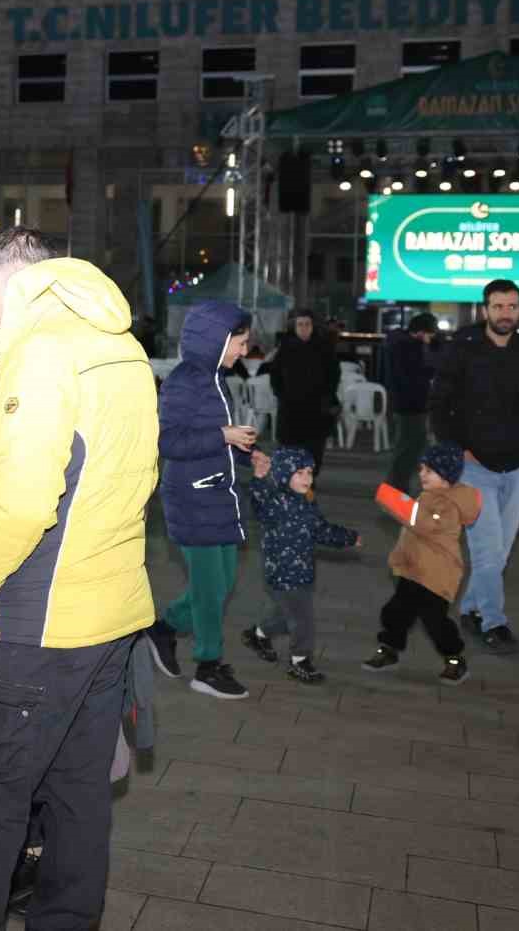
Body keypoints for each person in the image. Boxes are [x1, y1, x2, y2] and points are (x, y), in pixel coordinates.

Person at [0, 229, 158, 931]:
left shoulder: (41, 352)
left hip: (41, 617)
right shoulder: (121, 347)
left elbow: (25, 500)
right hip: (112, 609)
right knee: (78, 792)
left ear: (17, 282)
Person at [428, 279, 519, 655]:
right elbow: (438, 403)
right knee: (487, 549)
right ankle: (494, 622)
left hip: (518, 463)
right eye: (499, 306)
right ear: (485, 309)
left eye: (512, 306)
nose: (506, 313)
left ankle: (470, 609)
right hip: (475, 465)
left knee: (500, 551)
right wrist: (457, 450)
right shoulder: (463, 348)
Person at [143, 300, 257, 701]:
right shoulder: (185, 381)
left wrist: (247, 453)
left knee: (221, 583)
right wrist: (223, 436)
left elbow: (214, 435)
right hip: (193, 498)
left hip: (216, 495)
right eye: (239, 343)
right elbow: (167, 441)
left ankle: (163, 629)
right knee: (210, 590)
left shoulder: (213, 378)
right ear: (216, 340)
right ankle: (208, 667)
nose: (244, 351)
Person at [240, 446, 361, 684]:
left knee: (287, 616)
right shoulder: (275, 502)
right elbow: (258, 501)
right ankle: (300, 662)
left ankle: (258, 634)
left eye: (309, 472)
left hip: (301, 570)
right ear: (285, 474)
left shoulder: (305, 501)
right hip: (283, 574)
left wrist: (347, 537)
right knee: (302, 620)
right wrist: (259, 479)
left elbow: (321, 529)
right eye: (300, 473)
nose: (307, 478)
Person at [364, 443, 482, 685]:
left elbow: (426, 524)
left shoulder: (449, 504)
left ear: (447, 475)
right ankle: (389, 649)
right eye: (421, 469)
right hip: (414, 570)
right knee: (396, 612)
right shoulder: (431, 495)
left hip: (437, 576)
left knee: (435, 621)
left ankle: (454, 659)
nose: (422, 474)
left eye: (429, 470)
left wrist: (394, 500)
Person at [268, 308, 340, 476]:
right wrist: (281, 394)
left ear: (313, 326)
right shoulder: (285, 348)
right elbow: (275, 375)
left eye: (307, 324)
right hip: (291, 408)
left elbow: (334, 375)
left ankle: (310, 481)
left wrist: (327, 396)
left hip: (316, 409)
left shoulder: (324, 348)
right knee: (291, 449)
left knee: (314, 450)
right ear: (294, 326)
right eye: (300, 324)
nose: (304, 328)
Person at [383, 313, 438, 492]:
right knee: (408, 450)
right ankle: (396, 492)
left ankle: (397, 490)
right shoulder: (410, 348)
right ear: (422, 332)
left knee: (405, 449)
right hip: (412, 406)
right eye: (430, 334)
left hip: (403, 404)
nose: (431, 339)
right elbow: (417, 376)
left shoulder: (398, 344)